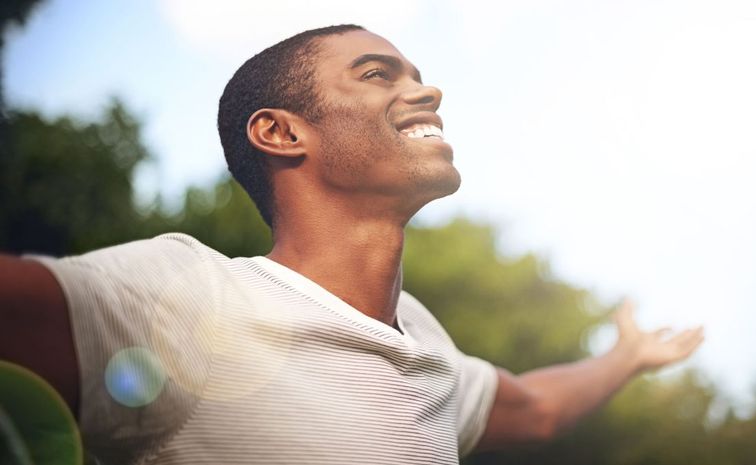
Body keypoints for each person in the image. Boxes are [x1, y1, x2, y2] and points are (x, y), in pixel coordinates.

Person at [0, 24, 704, 464]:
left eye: (419, 76)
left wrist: (628, 356)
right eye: (378, 73)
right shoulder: (187, 298)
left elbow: (539, 409)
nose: (428, 92)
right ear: (280, 132)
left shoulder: (421, 339)